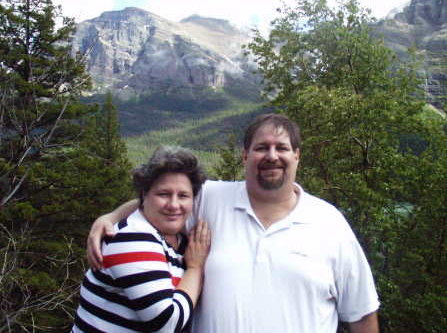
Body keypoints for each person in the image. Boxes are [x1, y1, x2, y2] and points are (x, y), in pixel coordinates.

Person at [87, 114, 380, 333]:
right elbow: (161, 203)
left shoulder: (329, 223)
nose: (272, 156)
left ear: (297, 155)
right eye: (262, 147)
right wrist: (111, 217)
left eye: (282, 147)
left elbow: (362, 315)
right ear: (246, 156)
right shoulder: (211, 198)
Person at [72, 146, 211, 333]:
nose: (174, 205)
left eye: (183, 195)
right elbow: (166, 324)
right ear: (144, 195)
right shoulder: (132, 237)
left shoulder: (178, 240)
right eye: (163, 194)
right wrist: (195, 268)